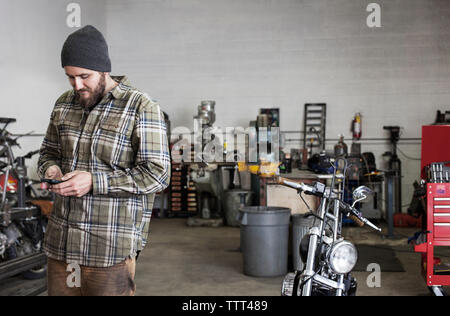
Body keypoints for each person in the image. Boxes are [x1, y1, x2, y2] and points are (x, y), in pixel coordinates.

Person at [37, 25, 171, 296]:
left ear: (104, 70)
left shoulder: (141, 107)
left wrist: (94, 181)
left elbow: (158, 174)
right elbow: (47, 153)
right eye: (70, 77)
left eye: (84, 76)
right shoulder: (64, 104)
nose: (77, 85)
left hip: (109, 249)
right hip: (62, 245)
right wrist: (50, 168)